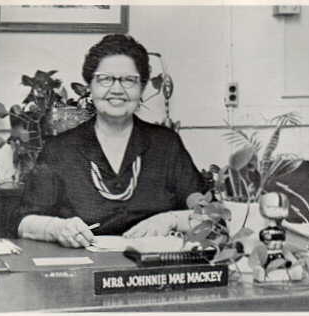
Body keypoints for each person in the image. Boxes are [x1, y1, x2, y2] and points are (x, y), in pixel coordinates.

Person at [15, 34, 206, 247]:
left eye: (128, 80)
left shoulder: (166, 145)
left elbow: (210, 214)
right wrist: (57, 228)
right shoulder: (60, 149)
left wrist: (171, 220)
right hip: (81, 274)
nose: (117, 89)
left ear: (141, 88)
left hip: (150, 271)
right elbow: (24, 223)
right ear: (90, 86)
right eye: (105, 79)